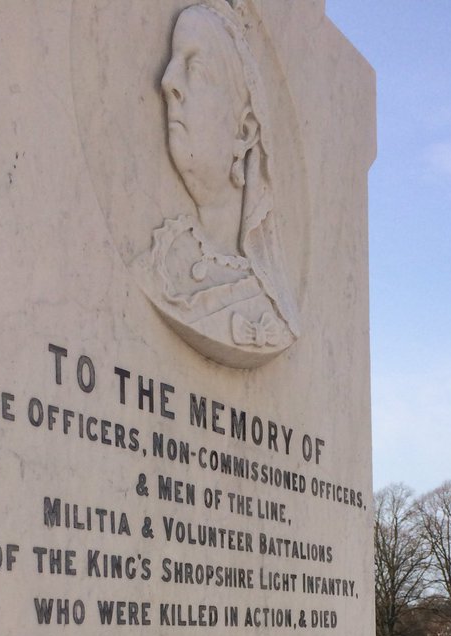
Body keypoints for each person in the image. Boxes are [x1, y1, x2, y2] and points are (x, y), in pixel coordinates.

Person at [134, 0, 299, 368]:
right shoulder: (157, 266)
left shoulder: (269, 309)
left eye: (196, 66)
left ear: (244, 131)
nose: (168, 82)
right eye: (174, 62)